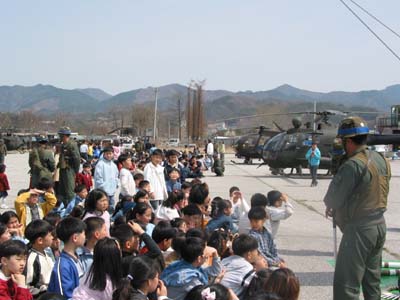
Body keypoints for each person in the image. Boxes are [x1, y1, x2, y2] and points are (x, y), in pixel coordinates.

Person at [323, 116, 391, 300]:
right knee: (372, 281)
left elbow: (332, 200)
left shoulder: (352, 165)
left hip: (360, 230)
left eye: (343, 141)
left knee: (347, 285)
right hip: (379, 225)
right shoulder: (381, 159)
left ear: (349, 141)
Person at [48, 217, 86, 299]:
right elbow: (63, 296)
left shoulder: (77, 257)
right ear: (75, 238)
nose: (85, 237)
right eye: (83, 234)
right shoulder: (63, 266)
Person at [220, 234, 259, 298]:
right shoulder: (247, 268)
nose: (257, 253)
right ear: (249, 254)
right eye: (256, 250)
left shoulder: (225, 260)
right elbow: (256, 288)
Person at [24, 219, 54, 297]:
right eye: (50, 235)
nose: (52, 237)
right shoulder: (32, 259)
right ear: (40, 240)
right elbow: (29, 285)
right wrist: (44, 289)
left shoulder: (47, 252)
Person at [57, 127, 81, 207]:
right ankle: (63, 206)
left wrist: (76, 171)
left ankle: (71, 207)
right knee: (62, 189)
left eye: (60, 135)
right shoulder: (63, 144)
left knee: (70, 190)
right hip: (63, 169)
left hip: (69, 170)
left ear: (64, 135)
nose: (59, 137)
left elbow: (77, 159)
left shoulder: (72, 144)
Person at [94, 147, 119, 212]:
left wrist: (116, 184)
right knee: (103, 207)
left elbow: (116, 176)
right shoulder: (100, 164)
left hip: (112, 191)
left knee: (111, 207)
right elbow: (98, 178)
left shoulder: (114, 165)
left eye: (110, 154)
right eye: (107, 154)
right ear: (104, 154)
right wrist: (103, 188)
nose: (108, 155)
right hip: (103, 191)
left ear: (113, 154)